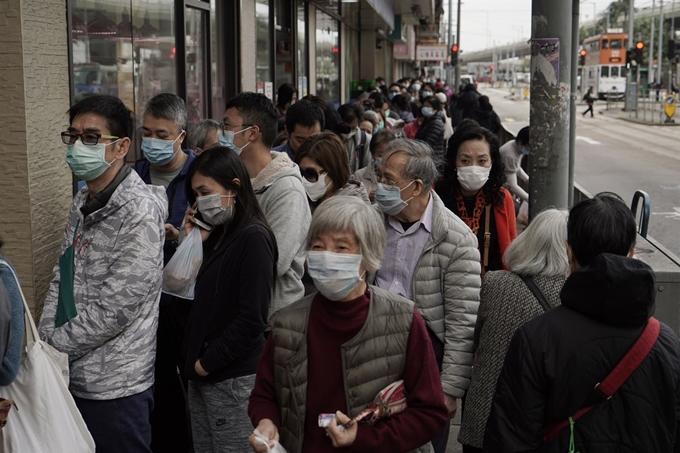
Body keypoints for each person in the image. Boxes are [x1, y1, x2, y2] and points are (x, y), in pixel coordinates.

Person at [248, 196, 449, 453]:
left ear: (369, 256)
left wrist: (363, 438)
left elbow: (430, 413)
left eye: (341, 248)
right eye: (318, 247)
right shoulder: (287, 322)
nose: (326, 257)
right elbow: (265, 395)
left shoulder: (403, 319)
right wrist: (266, 422)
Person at [484, 193, 680, 452]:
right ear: (632, 253)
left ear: (568, 250)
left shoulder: (537, 338)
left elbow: (510, 439)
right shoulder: (666, 343)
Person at [39, 95, 167, 453]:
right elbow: (61, 275)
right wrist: (47, 335)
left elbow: (115, 310)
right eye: (74, 135)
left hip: (116, 386)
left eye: (92, 138)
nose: (79, 145)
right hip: (69, 374)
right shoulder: (82, 200)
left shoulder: (139, 214)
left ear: (121, 147)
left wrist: (49, 347)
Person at [373, 139, 481, 453]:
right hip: (371, 347)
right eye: (380, 177)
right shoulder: (371, 220)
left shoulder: (456, 239)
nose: (381, 186)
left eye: (389, 181)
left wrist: (449, 390)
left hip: (425, 356)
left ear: (417, 186)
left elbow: (462, 325)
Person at [182, 148, 277, 453]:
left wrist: (204, 365)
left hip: (233, 378)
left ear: (234, 187)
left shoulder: (254, 237)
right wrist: (193, 243)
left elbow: (253, 318)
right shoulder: (218, 234)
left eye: (205, 192)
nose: (200, 202)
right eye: (195, 194)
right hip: (205, 377)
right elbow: (181, 291)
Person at [458, 209, 569, 453]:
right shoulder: (570, 297)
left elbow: (476, 341)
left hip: (482, 421)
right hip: (532, 428)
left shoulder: (495, 282)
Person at [133, 92, 196, 453]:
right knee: (158, 393)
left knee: (193, 388)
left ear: (180, 136)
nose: (153, 142)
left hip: (186, 304)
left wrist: (182, 238)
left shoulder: (200, 173)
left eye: (161, 134)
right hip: (144, 306)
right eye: (147, 133)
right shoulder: (133, 174)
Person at [220, 92, 311, 316]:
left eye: (227, 126)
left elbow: (273, 263)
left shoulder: (287, 190)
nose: (222, 134)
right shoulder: (229, 179)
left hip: (269, 319)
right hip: (229, 311)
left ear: (251, 133)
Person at [436, 119, 517, 275]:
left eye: (482, 161)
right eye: (465, 160)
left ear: (492, 162)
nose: (473, 168)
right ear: (453, 161)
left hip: (489, 288)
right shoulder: (436, 195)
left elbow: (511, 247)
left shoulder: (501, 198)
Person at [296, 131, 370, 210]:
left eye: (310, 173)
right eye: (300, 172)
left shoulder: (352, 210)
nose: (304, 179)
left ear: (333, 169)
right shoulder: (307, 200)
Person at [353, 130, 396, 202]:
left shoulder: (400, 177)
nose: (385, 159)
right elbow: (352, 202)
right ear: (372, 154)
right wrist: (366, 198)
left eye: (389, 155)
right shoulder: (359, 176)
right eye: (380, 155)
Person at [499, 126, 530, 204]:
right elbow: (512, 186)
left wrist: (526, 179)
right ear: (520, 143)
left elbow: (516, 167)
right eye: (529, 146)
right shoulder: (510, 155)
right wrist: (529, 199)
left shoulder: (516, 147)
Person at [338, 103, 372, 173]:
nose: (348, 131)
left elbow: (366, 169)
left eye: (352, 128)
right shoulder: (330, 138)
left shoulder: (364, 140)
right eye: (345, 127)